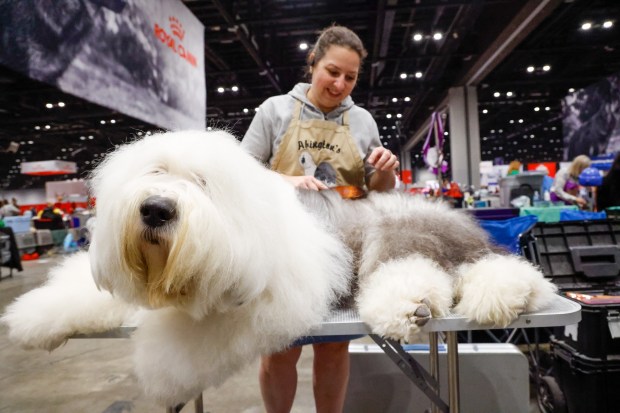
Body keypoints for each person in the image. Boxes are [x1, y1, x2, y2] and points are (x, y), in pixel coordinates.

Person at [241, 25, 398, 413]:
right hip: (284, 251)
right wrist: (286, 180)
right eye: (332, 71)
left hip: (344, 250)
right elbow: (238, 174)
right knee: (281, 348)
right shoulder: (274, 111)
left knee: (334, 345)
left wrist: (386, 168)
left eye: (350, 77)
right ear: (313, 62)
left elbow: (379, 189)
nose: (340, 84)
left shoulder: (363, 121)